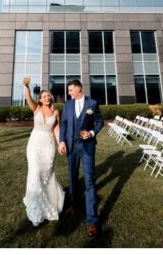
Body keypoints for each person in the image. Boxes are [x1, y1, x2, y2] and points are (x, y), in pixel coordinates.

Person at [58, 78, 104, 238]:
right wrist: (62, 140)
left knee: (89, 181)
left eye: (71, 90)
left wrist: (91, 133)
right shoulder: (68, 105)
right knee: (73, 177)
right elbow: (63, 123)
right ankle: (75, 205)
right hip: (71, 147)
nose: (69, 93)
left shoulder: (92, 103)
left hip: (87, 147)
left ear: (79, 89)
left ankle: (92, 221)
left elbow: (99, 121)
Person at [20, 77, 64, 226]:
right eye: (44, 96)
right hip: (35, 144)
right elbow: (28, 98)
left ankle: (50, 201)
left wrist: (60, 144)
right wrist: (26, 86)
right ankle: (35, 207)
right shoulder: (36, 108)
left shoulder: (55, 112)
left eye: (48, 96)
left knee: (47, 173)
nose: (47, 97)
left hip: (49, 144)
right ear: (40, 99)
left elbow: (56, 129)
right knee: (35, 171)